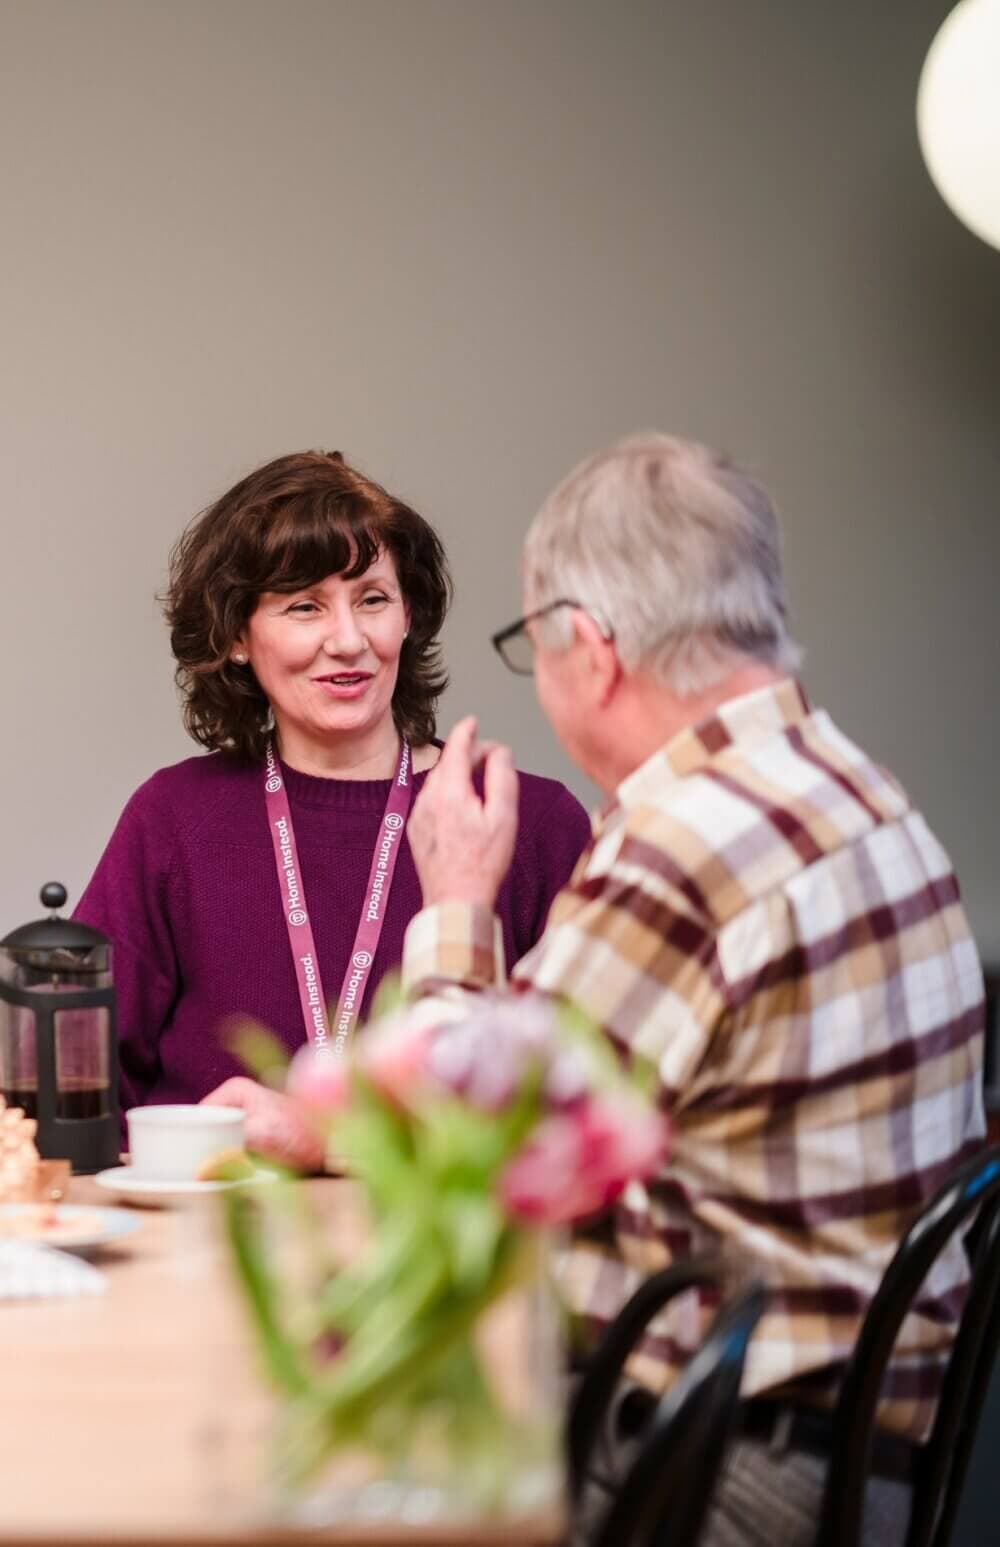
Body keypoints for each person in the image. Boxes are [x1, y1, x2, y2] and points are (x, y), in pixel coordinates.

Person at [400, 432, 986, 1547]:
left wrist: (457, 902)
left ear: (590, 645)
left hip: (720, 1471)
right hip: (864, 1456)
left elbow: (456, 1161)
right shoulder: (857, 788)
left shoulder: (688, 845)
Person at [76, 450, 590, 1167]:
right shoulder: (172, 820)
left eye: (373, 598)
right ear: (234, 637)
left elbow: (586, 1117)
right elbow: (74, 1101)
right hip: (199, 1254)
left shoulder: (522, 821)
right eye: (304, 605)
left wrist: (323, 1139)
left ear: (408, 615)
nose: (347, 639)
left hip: (447, 1269)